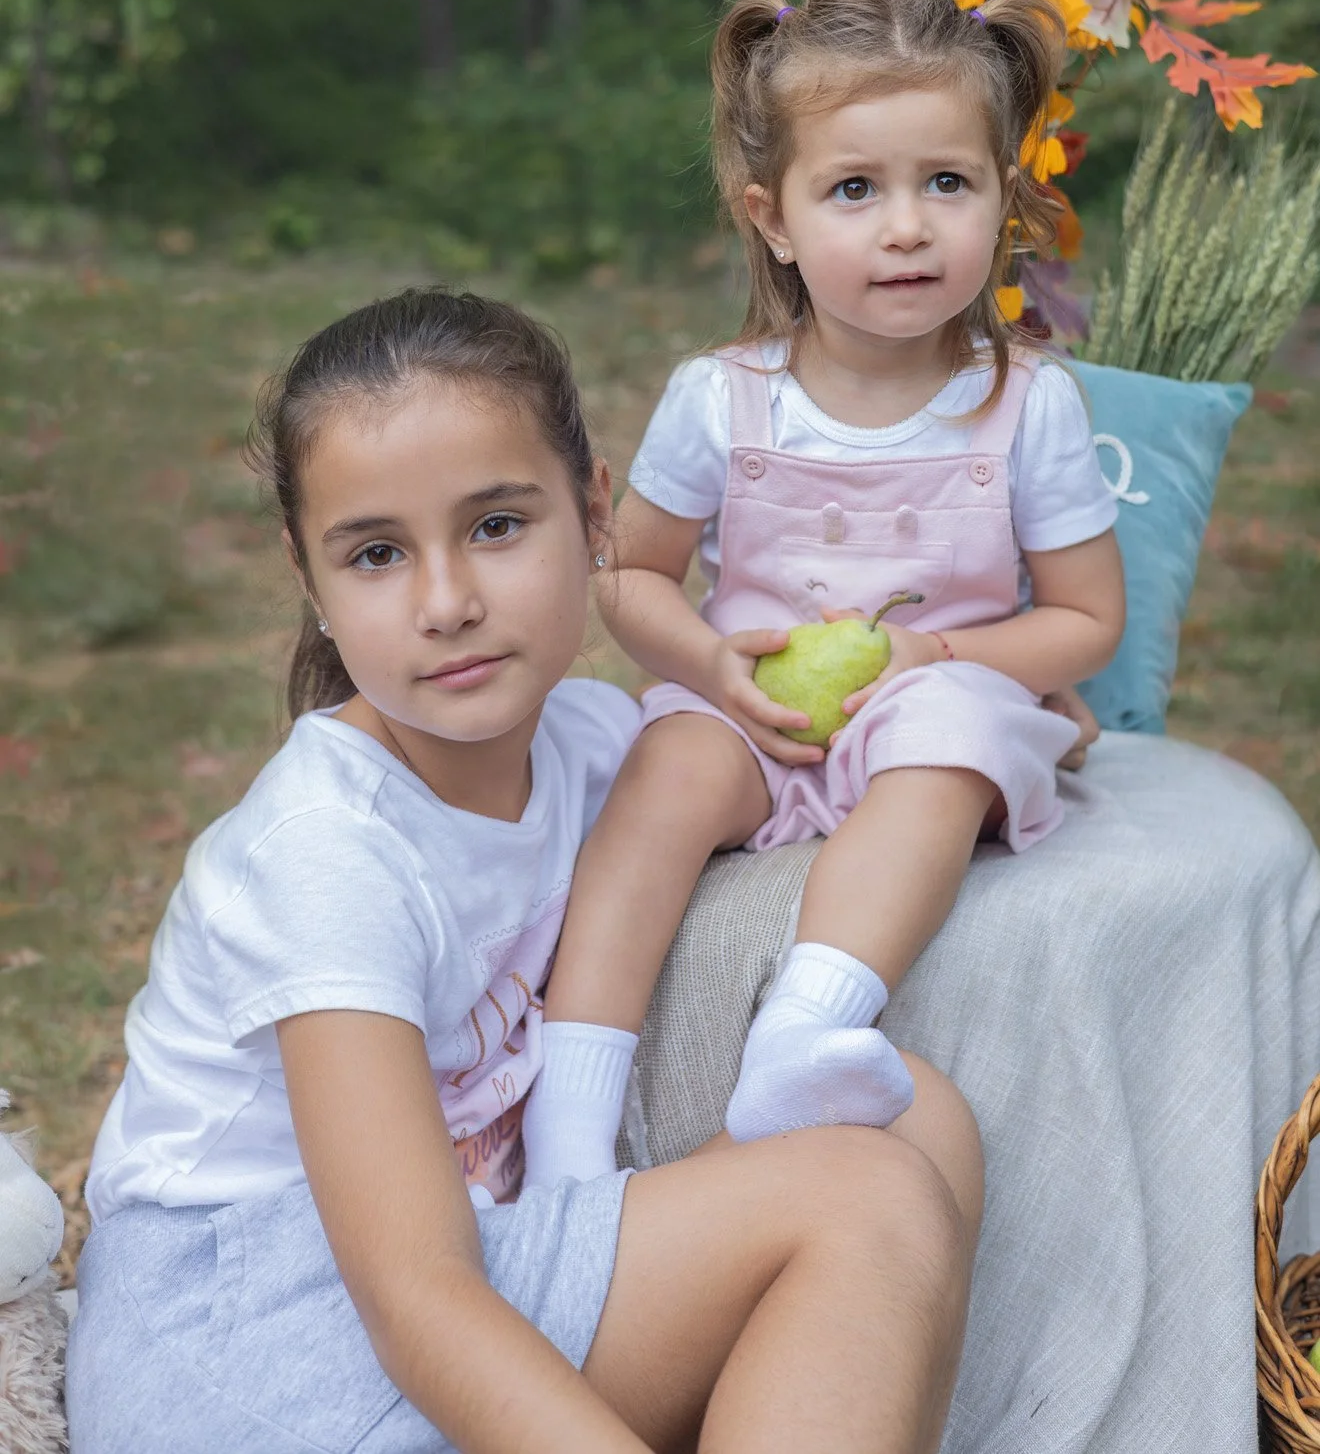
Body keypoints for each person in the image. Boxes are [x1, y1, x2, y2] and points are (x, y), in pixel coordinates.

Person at [66, 285, 984, 1454]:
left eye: (497, 527)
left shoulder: (598, 749)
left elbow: (800, 775)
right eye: (377, 554)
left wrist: (989, 685)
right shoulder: (326, 855)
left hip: (485, 1255)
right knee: (865, 1198)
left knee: (914, 1122)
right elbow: (413, 1294)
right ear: (309, 578)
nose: (447, 603)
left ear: (595, 512)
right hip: (257, 1345)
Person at [521, 0, 1125, 1191]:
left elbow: (1085, 620)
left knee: (947, 744)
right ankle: (570, 1129)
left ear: (1004, 200)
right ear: (774, 218)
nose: (906, 227)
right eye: (855, 189)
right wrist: (708, 666)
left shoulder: (1027, 406)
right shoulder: (725, 396)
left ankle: (806, 1031)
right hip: (752, 711)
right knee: (662, 778)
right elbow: (630, 577)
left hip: (925, 702)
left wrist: (936, 659)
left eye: (946, 183)